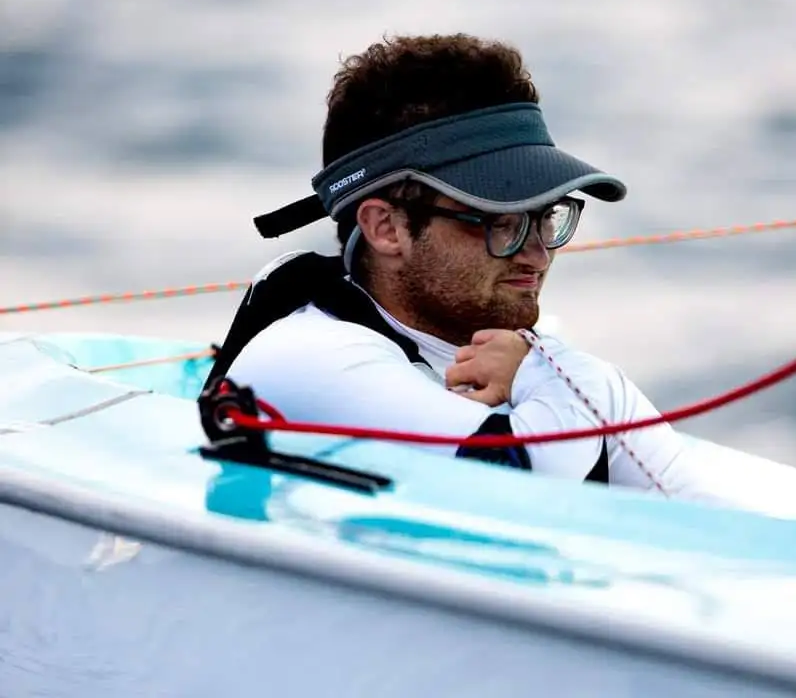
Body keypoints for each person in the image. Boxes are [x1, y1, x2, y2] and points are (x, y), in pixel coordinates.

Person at [206, 33, 729, 502]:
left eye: (546, 217)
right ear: (386, 228)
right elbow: (515, 484)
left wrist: (551, 373)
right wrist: (572, 376)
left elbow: (706, 521)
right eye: (500, 222)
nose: (537, 254)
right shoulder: (312, 356)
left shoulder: (525, 363)